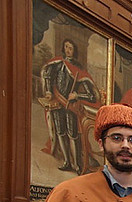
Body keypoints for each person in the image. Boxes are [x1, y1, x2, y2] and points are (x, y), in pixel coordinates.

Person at [40, 38, 101, 174]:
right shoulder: (57, 64)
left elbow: (92, 95)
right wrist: (49, 91)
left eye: (71, 48)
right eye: (66, 47)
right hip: (57, 103)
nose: (68, 50)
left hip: (70, 107)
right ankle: (67, 161)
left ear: (74, 51)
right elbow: (48, 76)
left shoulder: (79, 69)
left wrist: (77, 96)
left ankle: (77, 164)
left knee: (72, 134)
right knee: (60, 131)